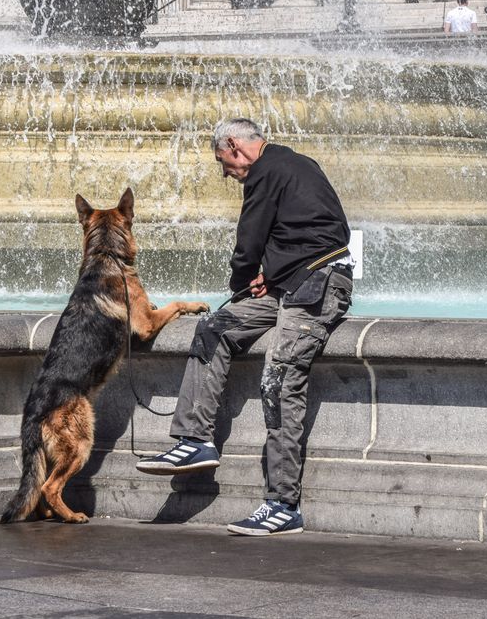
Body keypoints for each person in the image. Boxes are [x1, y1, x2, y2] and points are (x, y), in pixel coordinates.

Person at [136, 119, 354, 536]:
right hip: (290, 280)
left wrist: (242, 282)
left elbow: (250, 240)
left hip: (320, 282)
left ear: (235, 145)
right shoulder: (289, 166)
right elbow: (300, 232)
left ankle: (283, 505)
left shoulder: (269, 169)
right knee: (214, 328)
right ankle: (194, 440)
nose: (226, 173)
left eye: (224, 163)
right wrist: (269, 276)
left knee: (280, 378)